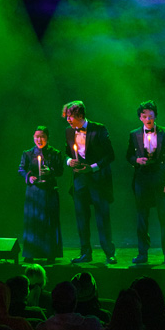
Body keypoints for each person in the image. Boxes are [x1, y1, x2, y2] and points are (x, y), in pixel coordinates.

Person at [62, 100, 116, 265]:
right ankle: (85, 253)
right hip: (80, 182)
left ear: (80, 115)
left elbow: (110, 155)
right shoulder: (69, 131)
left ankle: (109, 253)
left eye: (70, 116)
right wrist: (69, 161)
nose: (68, 120)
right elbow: (67, 153)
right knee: (82, 219)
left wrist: (92, 168)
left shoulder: (99, 129)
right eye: (67, 117)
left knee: (102, 218)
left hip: (98, 181)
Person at [125, 100, 165, 264]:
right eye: (145, 116)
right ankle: (142, 254)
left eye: (151, 116)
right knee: (142, 218)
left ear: (155, 116)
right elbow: (128, 155)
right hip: (142, 179)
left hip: (160, 178)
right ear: (140, 117)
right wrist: (136, 160)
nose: (148, 119)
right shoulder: (134, 134)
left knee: (164, 217)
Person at [18, 126, 64, 262]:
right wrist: (29, 177)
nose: (39, 140)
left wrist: (51, 171)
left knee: (49, 222)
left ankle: (50, 253)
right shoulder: (28, 153)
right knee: (32, 222)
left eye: (42, 136)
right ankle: (30, 253)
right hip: (34, 193)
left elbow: (60, 171)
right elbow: (21, 169)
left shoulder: (55, 153)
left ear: (47, 138)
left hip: (49, 192)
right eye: (37, 137)